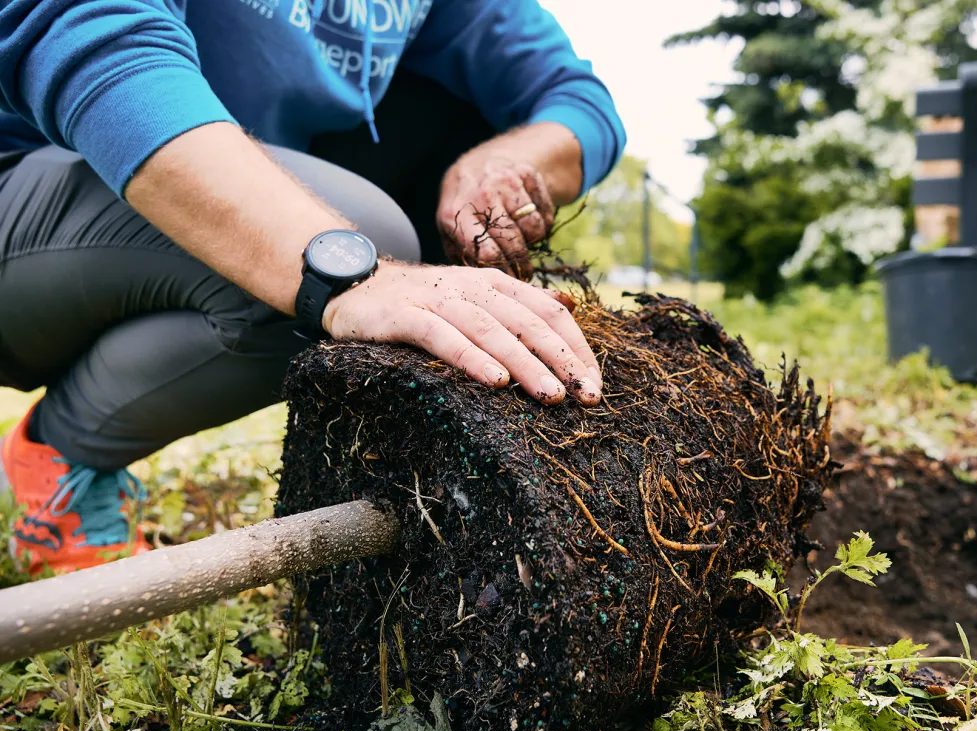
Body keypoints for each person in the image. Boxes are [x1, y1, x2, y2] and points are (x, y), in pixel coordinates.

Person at [0, 0, 625, 576]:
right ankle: (62, 463)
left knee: (447, 130)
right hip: (29, 182)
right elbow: (93, 42)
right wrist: (348, 273)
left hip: (164, 240)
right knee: (364, 242)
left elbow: (575, 99)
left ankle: (60, 451)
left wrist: (503, 161)